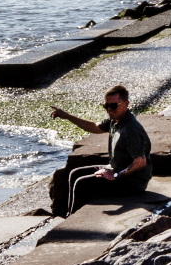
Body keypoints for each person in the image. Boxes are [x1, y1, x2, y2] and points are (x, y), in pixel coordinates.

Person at [49, 85, 152, 217]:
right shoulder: (115, 120)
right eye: (106, 106)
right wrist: (68, 116)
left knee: (82, 183)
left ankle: (74, 220)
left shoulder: (131, 130)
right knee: (74, 173)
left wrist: (115, 176)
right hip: (116, 169)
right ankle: (70, 214)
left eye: (113, 106)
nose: (109, 109)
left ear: (126, 104)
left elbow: (140, 162)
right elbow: (94, 127)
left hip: (132, 182)